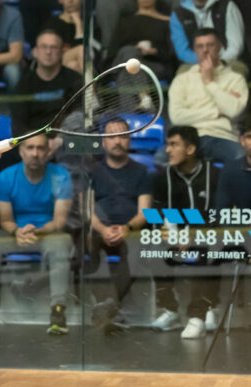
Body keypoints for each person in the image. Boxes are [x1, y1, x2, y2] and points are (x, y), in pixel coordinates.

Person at [0, 135, 74, 335]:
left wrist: (37, 230)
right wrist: (17, 231)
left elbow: (60, 221)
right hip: (15, 233)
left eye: (41, 148)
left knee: (61, 245)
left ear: (48, 152)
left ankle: (58, 311)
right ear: (21, 151)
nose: (35, 153)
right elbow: (6, 220)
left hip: (49, 233)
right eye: (30, 148)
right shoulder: (6, 177)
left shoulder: (61, 176)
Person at [150, 126, 220, 339]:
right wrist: (169, 231)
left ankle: (199, 314)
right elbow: (155, 214)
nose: (168, 150)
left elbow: (217, 215)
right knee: (153, 248)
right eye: (167, 144)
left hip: (207, 236)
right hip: (175, 237)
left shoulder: (214, 174)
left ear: (190, 149)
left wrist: (191, 232)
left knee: (207, 247)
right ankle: (171, 310)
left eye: (174, 145)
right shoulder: (163, 177)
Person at [89, 117, 152, 335]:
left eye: (123, 136)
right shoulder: (92, 171)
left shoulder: (142, 172)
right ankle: (105, 303)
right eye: (111, 136)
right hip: (100, 229)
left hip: (129, 230)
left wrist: (126, 228)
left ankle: (110, 305)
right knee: (82, 244)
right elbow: (86, 210)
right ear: (103, 142)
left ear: (130, 141)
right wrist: (103, 229)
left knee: (135, 249)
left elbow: (144, 213)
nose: (117, 141)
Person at [167, 28, 248, 164]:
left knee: (242, 158)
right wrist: (216, 112)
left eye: (210, 45)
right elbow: (176, 117)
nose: (205, 50)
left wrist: (210, 83)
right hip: (189, 139)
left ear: (220, 47)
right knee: (160, 158)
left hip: (223, 137)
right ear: (194, 50)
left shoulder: (235, 79)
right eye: (200, 46)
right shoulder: (182, 79)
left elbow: (234, 111)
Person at [10, 29, 81, 170]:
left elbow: (81, 114)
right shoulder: (23, 84)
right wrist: (38, 144)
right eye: (44, 47)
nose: (48, 52)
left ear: (62, 52)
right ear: (35, 52)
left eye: (53, 47)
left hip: (65, 144)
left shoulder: (75, 81)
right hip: (33, 145)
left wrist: (60, 140)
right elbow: (18, 124)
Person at [107, 0, 175, 81]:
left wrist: (155, 51)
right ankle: (143, 93)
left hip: (153, 64)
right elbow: (113, 50)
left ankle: (142, 93)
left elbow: (171, 54)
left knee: (125, 74)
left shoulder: (168, 22)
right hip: (123, 60)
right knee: (129, 52)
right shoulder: (124, 21)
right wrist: (136, 48)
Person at [170, 0, 245, 69]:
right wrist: (203, 62)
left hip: (227, 61)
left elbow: (236, 45)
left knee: (238, 69)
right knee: (182, 74)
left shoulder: (227, 6)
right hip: (194, 63)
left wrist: (220, 61)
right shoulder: (178, 13)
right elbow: (182, 51)